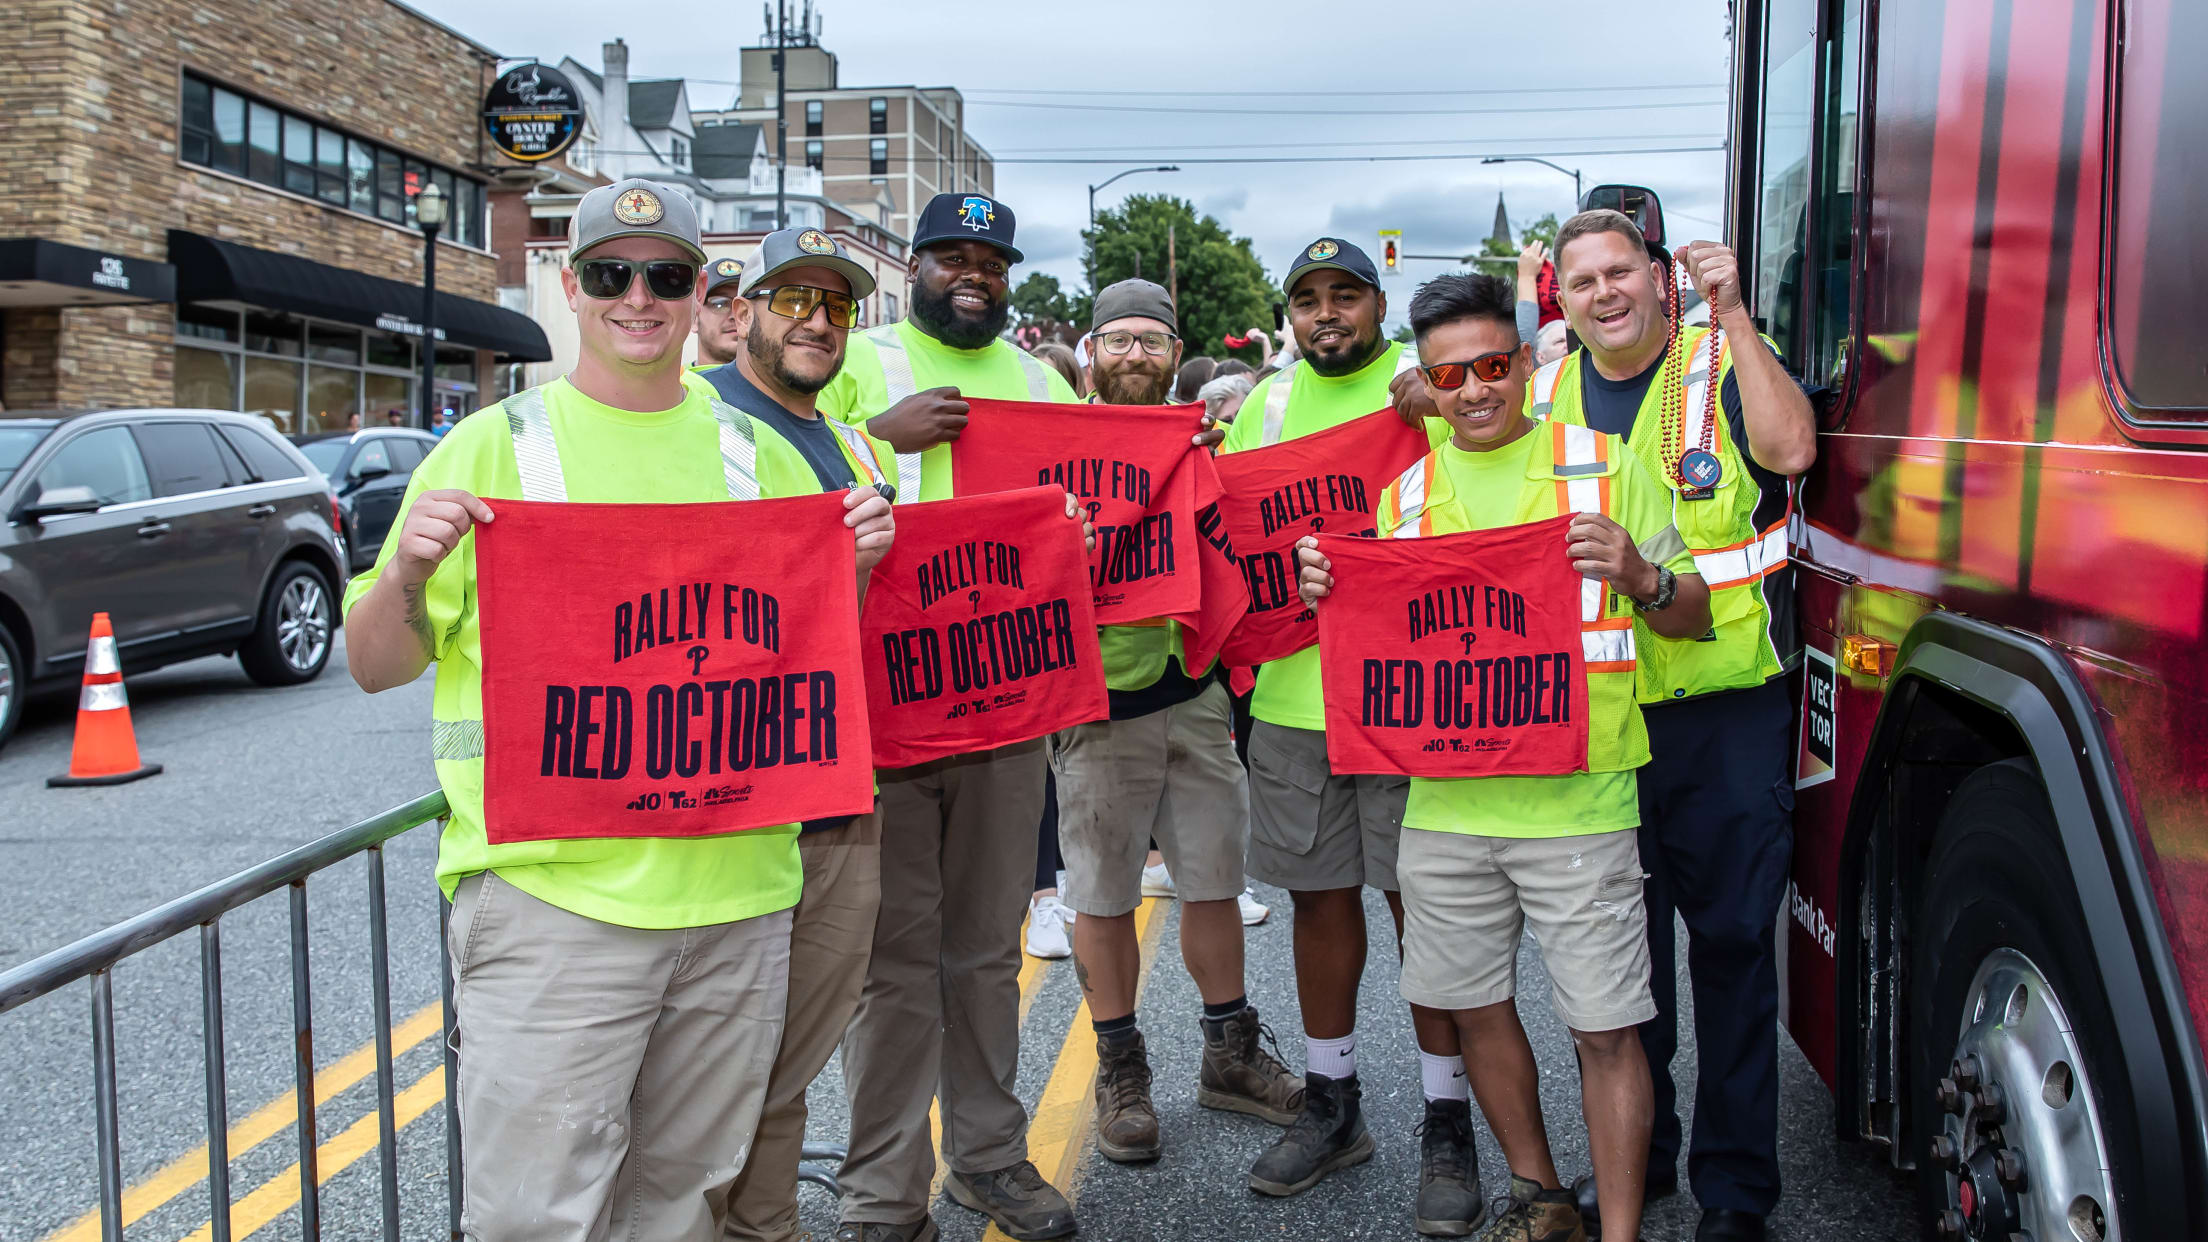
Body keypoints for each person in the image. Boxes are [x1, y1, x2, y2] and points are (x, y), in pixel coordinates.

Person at [341, 178, 894, 1242]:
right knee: (535, 1221)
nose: (638, 297)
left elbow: (804, 665)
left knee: (681, 1213)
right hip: (559, 910)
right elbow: (376, 665)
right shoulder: (497, 447)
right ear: (573, 285)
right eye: (611, 274)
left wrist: (855, 570)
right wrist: (409, 576)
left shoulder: (764, 459)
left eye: (667, 276)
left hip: (738, 902)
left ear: (704, 295)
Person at [1295, 271, 1710, 1242]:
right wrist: (1332, 586)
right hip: (1446, 809)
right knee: (1473, 1006)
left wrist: (1644, 576)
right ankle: (1541, 1197)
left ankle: (1618, 1234)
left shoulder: (1603, 465)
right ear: (1425, 386)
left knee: (1606, 1030)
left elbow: (1692, 615)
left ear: (1526, 363)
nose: (1474, 390)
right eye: (1449, 376)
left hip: (1581, 802)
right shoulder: (1402, 500)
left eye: (1491, 365)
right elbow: (1381, 640)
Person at [1539, 209, 1816, 1242]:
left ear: (1658, 277)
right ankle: (1640, 1159)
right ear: (1558, 299)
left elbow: (1792, 451)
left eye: (1622, 272)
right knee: (1623, 965)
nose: (1605, 293)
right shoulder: (1541, 391)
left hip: (1723, 707)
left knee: (1734, 950)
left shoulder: (1718, 359)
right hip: (1602, 715)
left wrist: (1736, 315)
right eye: (1583, 282)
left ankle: (1736, 1191)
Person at [817, 191, 1083, 1242]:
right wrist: (874, 435)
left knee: (983, 949)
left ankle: (990, 1158)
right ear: (914, 264)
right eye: (951, 257)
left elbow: (1074, 504)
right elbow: (778, 464)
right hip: (878, 710)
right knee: (891, 963)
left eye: (992, 260)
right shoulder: (857, 358)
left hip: (1001, 701)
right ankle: (882, 1194)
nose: (972, 273)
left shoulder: (1035, 378)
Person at [1217, 238, 1474, 1230]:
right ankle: (1333, 1104)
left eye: (1346, 297)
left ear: (1378, 305)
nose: (1327, 315)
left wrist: (1440, 406)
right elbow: (1226, 530)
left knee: (1426, 915)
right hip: (1293, 704)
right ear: (1290, 314)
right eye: (1308, 300)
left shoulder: (1424, 392)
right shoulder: (1265, 408)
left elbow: (1486, 505)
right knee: (1322, 907)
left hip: (1412, 700)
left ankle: (1447, 1118)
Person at [1054, 279, 1302, 1167]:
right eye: (1116, 340)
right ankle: (1122, 1068)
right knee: (1102, 891)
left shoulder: (1203, 441)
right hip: (1098, 698)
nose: (1133, 355)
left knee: (1212, 879)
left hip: (1192, 685)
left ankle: (1228, 1057)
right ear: (1090, 351)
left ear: (1173, 353)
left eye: (1150, 342)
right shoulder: (1055, 443)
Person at [692, 227, 902, 1242]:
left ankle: (764, 1225)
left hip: (840, 792)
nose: (817, 321)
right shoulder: (696, 427)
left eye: (837, 306)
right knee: (710, 1067)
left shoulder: (861, 447)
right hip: (731, 803)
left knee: (789, 1060)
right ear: (742, 313)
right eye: (793, 300)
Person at [694, 255, 748, 367]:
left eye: (745, 306)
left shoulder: (778, 383)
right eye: (720, 304)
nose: (735, 315)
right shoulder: (673, 383)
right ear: (694, 319)